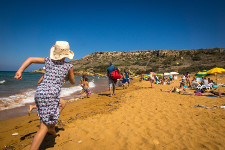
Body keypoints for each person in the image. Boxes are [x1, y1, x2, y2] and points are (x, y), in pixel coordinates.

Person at [14, 41, 75, 150]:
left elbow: (30, 59)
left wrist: (20, 71)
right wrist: (68, 77)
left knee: (62, 103)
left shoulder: (47, 61)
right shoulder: (69, 66)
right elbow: (73, 82)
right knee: (43, 127)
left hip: (40, 92)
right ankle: (46, 132)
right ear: (66, 55)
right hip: (52, 94)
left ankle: (51, 128)